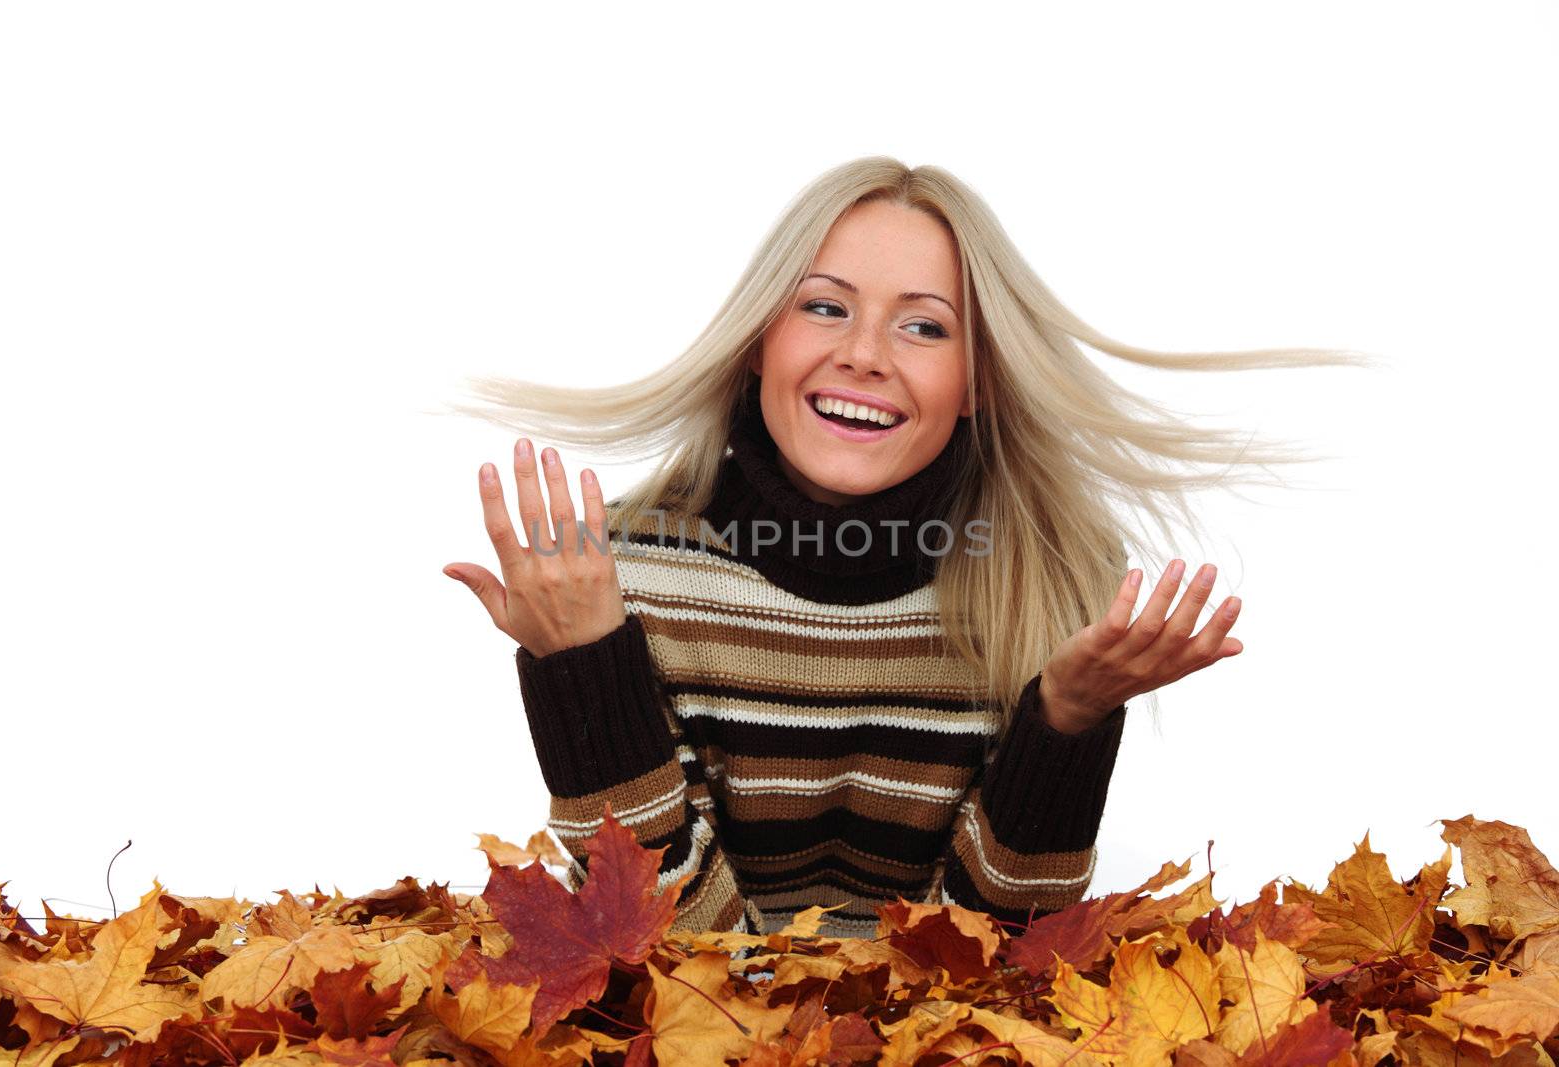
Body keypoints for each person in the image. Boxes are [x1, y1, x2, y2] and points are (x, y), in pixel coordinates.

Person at [436, 157, 1378, 939]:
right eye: (824, 307)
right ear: (759, 339)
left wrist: (1068, 720)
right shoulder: (618, 577)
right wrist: (585, 671)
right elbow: (663, 948)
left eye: (924, 325)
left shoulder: (1049, 586)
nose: (866, 354)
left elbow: (993, 952)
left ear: (978, 381)